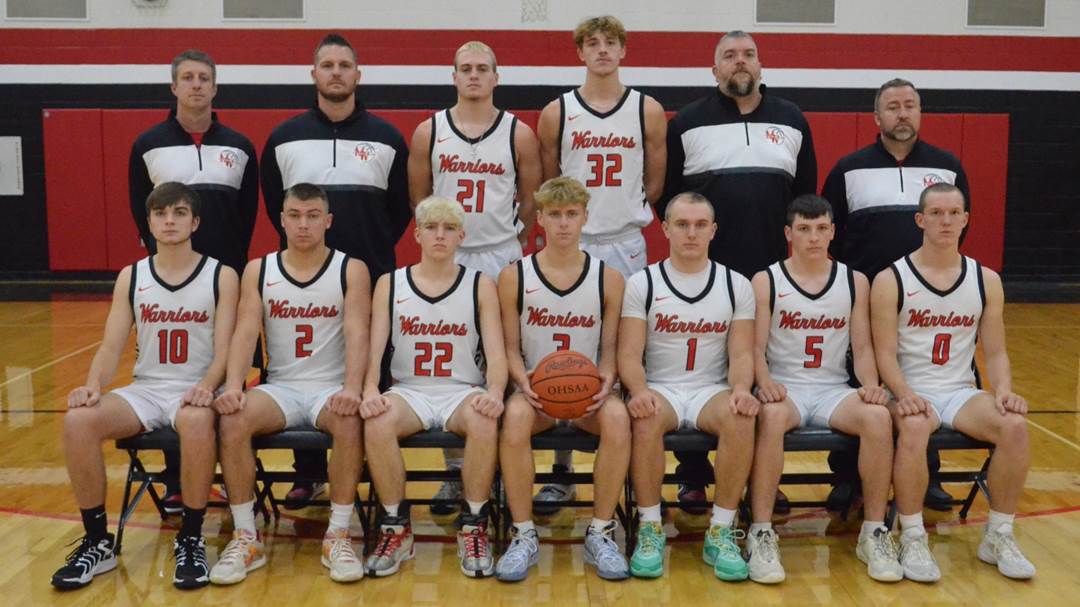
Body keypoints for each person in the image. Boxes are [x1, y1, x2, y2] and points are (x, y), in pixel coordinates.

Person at [52, 182, 238, 590]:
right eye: (160, 213)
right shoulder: (132, 276)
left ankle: (190, 538)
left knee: (192, 420)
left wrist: (208, 385)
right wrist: (92, 387)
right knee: (78, 422)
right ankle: (98, 541)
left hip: (197, 389)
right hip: (148, 389)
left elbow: (226, 350)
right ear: (150, 222)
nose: (169, 220)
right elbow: (111, 345)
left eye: (178, 212)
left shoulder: (221, 275)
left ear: (195, 221)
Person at [663, 30, 816, 507]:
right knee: (704, 372)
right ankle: (692, 473)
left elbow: (805, 198)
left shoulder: (792, 119)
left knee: (762, 380)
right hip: (707, 273)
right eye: (729, 56)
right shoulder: (687, 122)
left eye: (748, 54)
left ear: (761, 66)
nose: (740, 62)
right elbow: (671, 198)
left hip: (772, 274)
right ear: (715, 70)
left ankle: (762, 481)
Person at [261, 33, 410, 506]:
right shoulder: (284, 138)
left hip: (372, 271)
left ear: (358, 75)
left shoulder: (387, 137)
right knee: (298, 365)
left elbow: (401, 208)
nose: (336, 72)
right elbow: (274, 204)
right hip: (305, 276)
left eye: (345, 65)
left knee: (370, 369)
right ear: (314, 75)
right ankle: (308, 472)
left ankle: (367, 459)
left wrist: (370, 248)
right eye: (327, 65)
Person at [871, 183, 1036, 581]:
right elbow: (884, 354)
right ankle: (912, 536)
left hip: (960, 392)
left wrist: (1005, 390)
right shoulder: (891, 278)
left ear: (965, 219)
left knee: (1014, 426)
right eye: (937, 213)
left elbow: (995, 352)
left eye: (954, 213)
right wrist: (905, 395)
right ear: (920, 220)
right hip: (908, 390)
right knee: (912, 425)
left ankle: (998, 534)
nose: (945, 221)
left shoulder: (986, 280)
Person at [535, 14, 667, 510]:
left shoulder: (647, 109)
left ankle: (632, 465)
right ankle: (562, 467)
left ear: (624, 51)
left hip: (626, 241)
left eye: (611, 43)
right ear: (580, 53)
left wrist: (622, 212)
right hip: (575, 240)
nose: (603, 51)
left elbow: (654, 182)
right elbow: (553, 186)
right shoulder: (558, 111)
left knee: (630, 351)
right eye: (593, 43)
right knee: (563, 347)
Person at [209, 183, 370, 585]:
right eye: (295, 215)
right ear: (281, 220)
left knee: (349, 422)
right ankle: (247, 535)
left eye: (313, 215)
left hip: (329, 386)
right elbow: (245, 334)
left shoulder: (350, 269)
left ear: (328, 221)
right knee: (232, 420)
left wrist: (352, 388)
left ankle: (338, 534)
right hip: (280, 387)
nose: (303, 224)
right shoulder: (259, 270)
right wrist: (232, 386)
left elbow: (358, 333)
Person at [823, 78, 972, 510]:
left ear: (920, 113)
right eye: (892, 106)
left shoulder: (947, 167)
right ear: (877, 117)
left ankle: (927, 478)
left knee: (921, 381)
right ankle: (847, 477)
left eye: (910, 105)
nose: (902, 113)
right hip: (867, 301)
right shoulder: (849, 169)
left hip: (930, 301)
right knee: (860, 386)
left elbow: (961, 227)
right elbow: (833, 234)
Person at [407, 40, 542, 513]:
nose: (474, 76)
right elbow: (420, 199)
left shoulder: (518, 134)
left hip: (501, 254)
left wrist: (510, 238)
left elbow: (530, 200)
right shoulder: (430, 131)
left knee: (506, 359)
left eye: (482, 69)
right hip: (450, 257)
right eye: (465, 68)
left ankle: (501, 471)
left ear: (496, 77)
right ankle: (453, 472)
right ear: (454, 76)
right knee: (454, 367)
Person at [745, 195, 902, 584]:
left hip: (833, 388)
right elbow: (755, 348)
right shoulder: (766, 280)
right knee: (771, 414)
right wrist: (764, 384)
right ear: (788, 233)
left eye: (820, 229)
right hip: (787, 388)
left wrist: (870, 385)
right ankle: (761, 530)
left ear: (832, 232)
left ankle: (874, 531)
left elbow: (862, 348)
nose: (813, 237)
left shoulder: (854, 280)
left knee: (879, 417)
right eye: (803, 229)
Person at [128, 49, 258, 512]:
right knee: (171, 376)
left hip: (227, 280)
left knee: (227, 376)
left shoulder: (240, 146)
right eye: (188, 78)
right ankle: (179, 482)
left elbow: (247, 216)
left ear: (215, 87)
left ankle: (229, 473)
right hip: (172, 282)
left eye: (205, 78)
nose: (197, 85)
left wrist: (231, 271)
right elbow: (142, 212)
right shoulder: (148, 145)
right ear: (174, 87)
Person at [361, 196, 507, 579]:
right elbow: (375, 348)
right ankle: (395, 526)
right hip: (410, 391)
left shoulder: (480, 285)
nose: (439, 235)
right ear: (417, 234)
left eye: (447, 228)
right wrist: (369, 390)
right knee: (376, 423)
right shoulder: (390, 283)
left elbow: (496, 352)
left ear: (461, 235)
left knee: (484, 421)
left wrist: (494, 391)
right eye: (431, 227)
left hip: (462, 389)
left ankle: (474, 524)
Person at [494, 177, 631, 582]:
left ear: (585, 217)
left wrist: (606, 380)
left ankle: (601, 530)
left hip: (587, 393)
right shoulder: (514, 276)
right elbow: (510, 348)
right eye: (555, 215)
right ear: (541, 219)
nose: (564, 224)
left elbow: (609, 349)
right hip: (536, 392)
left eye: (572, 214)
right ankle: (522, 534)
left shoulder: (609, 278)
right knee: (515, 418)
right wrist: (523, 382)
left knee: (619, 418)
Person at [619, 192, 759, 581]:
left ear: (714, 230)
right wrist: (638, 390)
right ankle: (649, 527)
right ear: (664, 229)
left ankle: (721, 529)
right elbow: (628, 355)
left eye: (700, 225)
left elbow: (742, 354)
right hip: (660, 387)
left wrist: (742, 389)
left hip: (708, 389)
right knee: (644, 419)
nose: (691, 233)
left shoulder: (736, 284)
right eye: (682, 224)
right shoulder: (642, 282)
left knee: (741, 417)